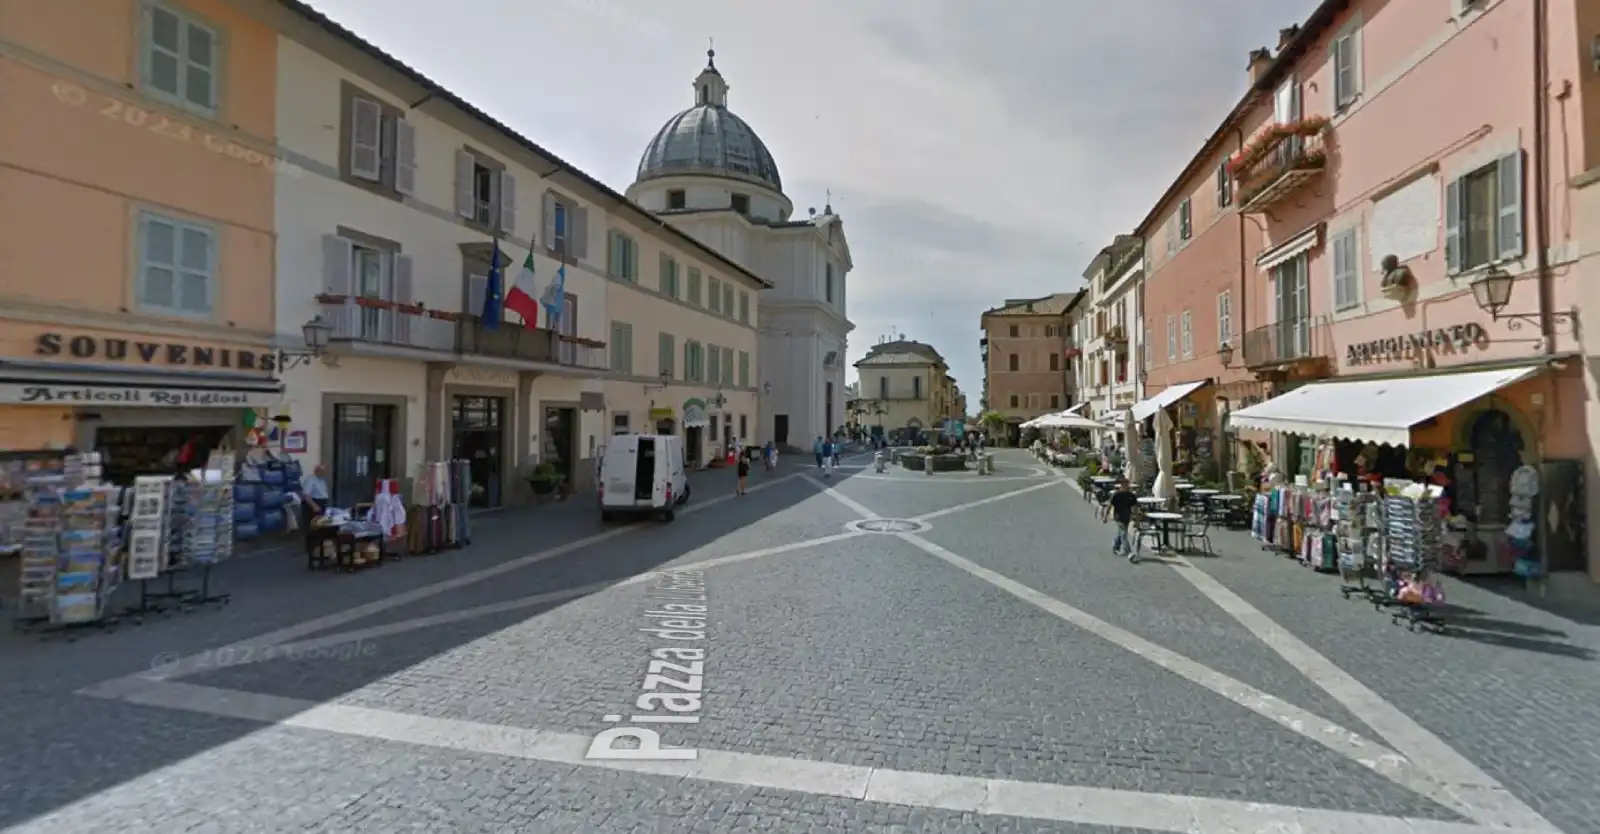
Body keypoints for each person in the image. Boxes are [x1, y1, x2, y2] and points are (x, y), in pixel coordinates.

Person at [1100, 476, 1140, 563]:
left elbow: (1135, 508)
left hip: (1127, 517)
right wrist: (1105, 517)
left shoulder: (1131, 496)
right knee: (1124, 534)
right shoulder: (1116, 495)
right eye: (1124, 484)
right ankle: (1129, 552)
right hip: (1118, 517)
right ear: (1121, 485)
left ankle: (1115, 545)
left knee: (1121, 533)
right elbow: (1109, 506)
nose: (1126, 486)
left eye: (1127, 484)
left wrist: (1137, 520)